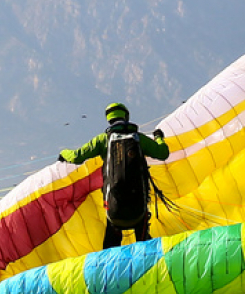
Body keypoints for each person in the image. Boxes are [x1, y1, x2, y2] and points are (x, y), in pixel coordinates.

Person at [58, 102, 169, 249]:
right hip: (138, 211)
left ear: (109, 119)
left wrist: (63, 153)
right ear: (126, 116)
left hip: (114, 211)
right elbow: (163, 153)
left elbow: (77, 157)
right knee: (146, 250)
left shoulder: (102, 140)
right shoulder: (138, 138)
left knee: (109, 254)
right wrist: (159, 137)